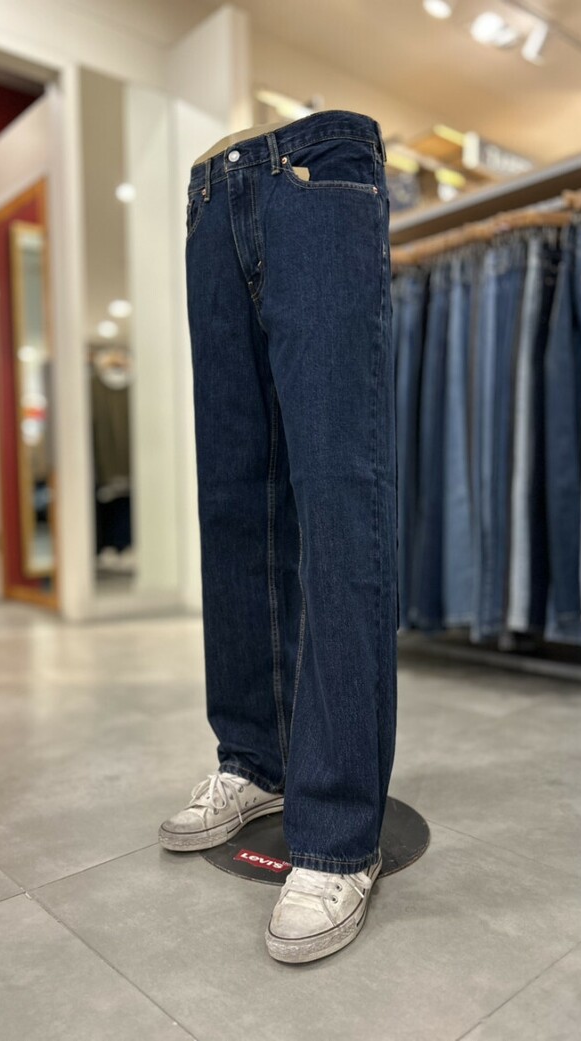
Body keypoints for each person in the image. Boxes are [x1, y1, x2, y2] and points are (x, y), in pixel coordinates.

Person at [159, 109, 398, 965]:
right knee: (233, 497)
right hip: (211, 199)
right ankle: (255, 758)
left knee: (338, 493)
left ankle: (337, 831)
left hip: (318, 180)